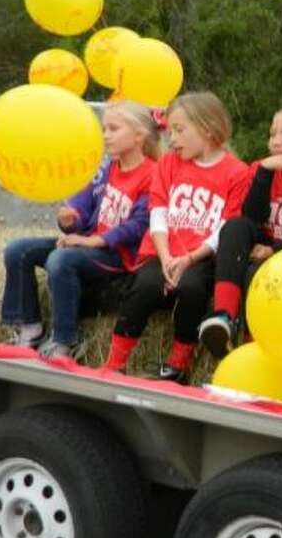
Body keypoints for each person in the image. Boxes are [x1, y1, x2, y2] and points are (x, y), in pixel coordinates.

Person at [103, 91, 252, 383]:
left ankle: (178, 363)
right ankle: (115, 361)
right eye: (170, 130)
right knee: (145, 284)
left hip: (201, 255)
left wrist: (189, 259)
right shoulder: (168, 164)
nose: (172, 138)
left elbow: (226, 227)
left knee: (193, 288)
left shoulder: (237, 173)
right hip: (163, 250)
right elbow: (157, 210)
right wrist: (166, 256)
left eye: (180, 130)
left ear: (208, 129)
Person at [2, 101, 161, 360]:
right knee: (18, 250)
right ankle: (29, 326)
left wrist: (96, 241)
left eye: (113, 128)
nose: (105, 135)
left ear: (139, 136)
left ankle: (64, 339)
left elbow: (140, 224)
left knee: (61, 259)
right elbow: (80, 211)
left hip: (117, 255)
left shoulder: (153, 174)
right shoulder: (104, 168)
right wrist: (70, 221)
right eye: (103, 128)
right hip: (88, 244)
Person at [197, 104, 282, 357]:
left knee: (256, 272)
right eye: (272, 134)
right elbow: (253, 217)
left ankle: (255, 346)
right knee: (234, 227)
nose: (276, 141)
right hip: (263, 241)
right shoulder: (261, 168)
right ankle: (224, 317)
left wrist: (274, 250)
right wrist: (266, 171)